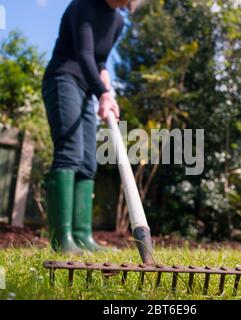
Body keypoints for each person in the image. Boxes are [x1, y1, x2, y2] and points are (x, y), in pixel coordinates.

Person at [42, 0, 139, 254]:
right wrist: (103, 93)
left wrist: (108, 94)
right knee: (69, 152)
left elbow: (101, 62)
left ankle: (83, 237)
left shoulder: (118, 21)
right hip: (63, 79)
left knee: (88, 161)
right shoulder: (83, 5)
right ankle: (62, 240)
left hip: (88, 90)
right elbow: (84, 54)